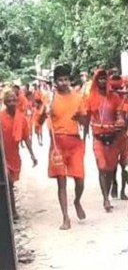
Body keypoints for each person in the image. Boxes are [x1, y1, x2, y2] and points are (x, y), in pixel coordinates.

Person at [80, 69, 127, 213]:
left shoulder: (114, 97)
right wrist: (84, 137)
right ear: (95, 81)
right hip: (98, 138)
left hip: (113, 138)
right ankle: (105, 198)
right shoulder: (90, 98)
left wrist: (120, 122)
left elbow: (119, 114)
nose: (101, 81)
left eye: (103, 78)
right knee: (102, 167)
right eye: (99, 79)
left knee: (110, 169)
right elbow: (86, 119)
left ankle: (108, 191)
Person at [47, 64, 88, 230]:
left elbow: (85, 122)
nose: (63, 82)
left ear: (70, 80)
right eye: (60, 80)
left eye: (66, 79)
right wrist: (45, 112)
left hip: (74, 141)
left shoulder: (78, 97)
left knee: (80, 180)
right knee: (61, 182)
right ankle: (66, 218)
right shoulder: (51, 97)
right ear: (55, 81)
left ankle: (77, 200)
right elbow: (44, 118)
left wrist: (80, 118)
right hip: (57, 143)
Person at [2, 87, 37, 219]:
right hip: (2, 156)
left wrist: (32, 155)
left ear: (16, 102)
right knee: (8, 183)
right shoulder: (0, 117)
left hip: (14, 156)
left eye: (13, 101)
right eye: (8, 101)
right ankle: (12, 212)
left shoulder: (21, 118)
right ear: (5, 103)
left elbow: (26, 138)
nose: (11, 103)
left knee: (9, 184)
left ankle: (11, 211)